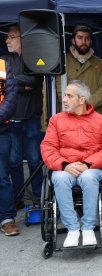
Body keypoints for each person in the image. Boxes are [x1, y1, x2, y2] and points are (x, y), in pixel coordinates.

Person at [40, 80, 102, 247]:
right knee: (59, 178)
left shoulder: (101, 121)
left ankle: (89, 228)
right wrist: (64, 165)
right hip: (65, 167)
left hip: (92, 168)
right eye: (65, 95)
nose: (65, 100)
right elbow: (48, 148)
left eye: (69, 96)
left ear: (82, 100)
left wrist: (88, 164)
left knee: (89, 177)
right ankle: (73, 229)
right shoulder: (56, 120)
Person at [4, 25, 44, 209]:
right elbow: (3, 83)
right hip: (10, 120)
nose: (7, 40)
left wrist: (13, 81)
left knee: (35, 159)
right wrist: (19, 84)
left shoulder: (35, 58)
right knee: (14, 161)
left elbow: (34, 81)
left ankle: (39, 197)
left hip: (31, 119)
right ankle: (17, 197)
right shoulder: (4, 59)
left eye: (11, 37)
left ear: (22, 38)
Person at [56, 25, 102, 116]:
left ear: (91, 41)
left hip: (93, 116)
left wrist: (84, 104)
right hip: (68, 115)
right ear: (73, 41)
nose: (84, 42)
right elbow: (59, 89)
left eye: (87, 38)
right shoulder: (63, 62)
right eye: (80, 38)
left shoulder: (101, 64)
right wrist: (74, 105)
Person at [0, 56, 19, 236]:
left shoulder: (2, 65)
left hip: (0, 130)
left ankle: (7, 219)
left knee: (2, 177)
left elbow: (11, 96)